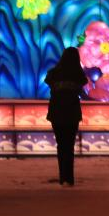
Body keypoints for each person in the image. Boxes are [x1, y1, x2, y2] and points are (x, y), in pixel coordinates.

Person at [44, 46, 86, 186]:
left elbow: (48, 82)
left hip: (56, 112)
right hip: (72, 113)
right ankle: (70, 178)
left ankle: (63, 177)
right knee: (69, 146)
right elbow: (82, 86)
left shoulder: (53, 73)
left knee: (61, 145)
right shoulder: (78, 75)